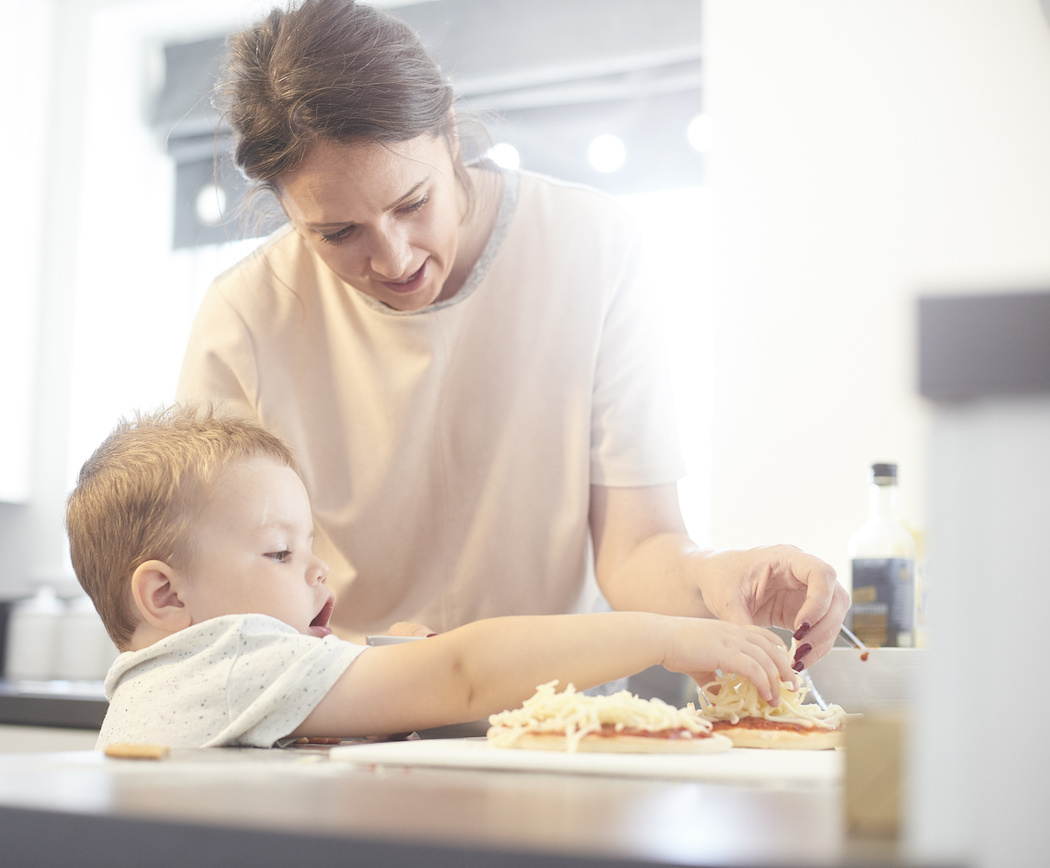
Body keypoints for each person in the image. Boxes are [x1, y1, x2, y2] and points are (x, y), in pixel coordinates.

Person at [176, 0, 847, 671]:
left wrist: (718, 576)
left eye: (413, 204)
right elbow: (223, 601)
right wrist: (360, 665)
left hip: (557, 716)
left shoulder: (594, 248)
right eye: (337, 233)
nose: (395, 259)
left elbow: (638, 548)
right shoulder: (244, 319)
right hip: (342, 710)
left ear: (450, 135)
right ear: (284, 207)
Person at [67, 405, 797, 749]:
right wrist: (663, 636)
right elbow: (463, 673)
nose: (318, 567)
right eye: (280, 553)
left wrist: (374, 669)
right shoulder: (227, 661)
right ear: (166, 596)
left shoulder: (168, 674)